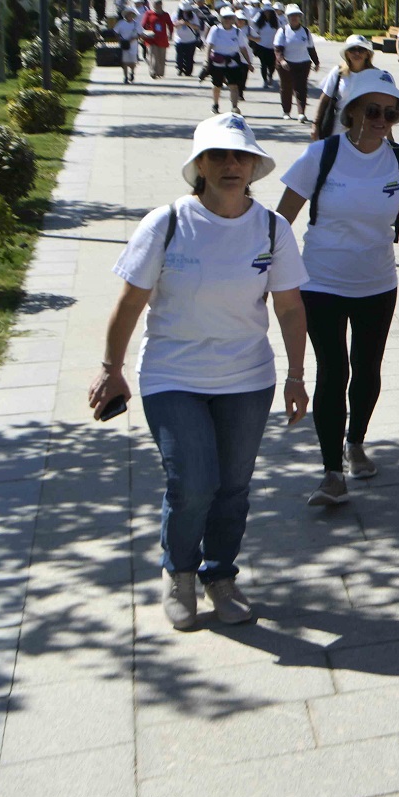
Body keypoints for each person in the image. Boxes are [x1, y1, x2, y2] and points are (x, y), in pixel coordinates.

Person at [88, 114, 310, 629]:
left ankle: (221, 576)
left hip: (247, 377)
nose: (231, 165)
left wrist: (298, 375)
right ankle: (179, 572)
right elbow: (129, 303)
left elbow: (291, 308)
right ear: (200, 167)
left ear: (254, 165)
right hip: (173, 375)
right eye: (218, 156)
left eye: (240, 156)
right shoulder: (166, 224)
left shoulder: (273, 228)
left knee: (232, 485)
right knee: (192, 481)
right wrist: (110, 368)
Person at [276, 71, 399, 506]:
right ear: (350, 112)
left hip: (378, 284)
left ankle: (356, 442)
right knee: (333, 370)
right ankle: (331, 473)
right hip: (321, 282)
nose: (382, 119)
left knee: (367, 369)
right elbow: (280, 221)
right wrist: (265, 273)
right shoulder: (321, 156)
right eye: (372, 110)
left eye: (390, 112)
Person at [314, 35, 378, 139]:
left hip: (366, 126)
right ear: (347, 53)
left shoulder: (376, 75)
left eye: (361, 49)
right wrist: (315, 124)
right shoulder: (338, 72)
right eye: (352, 49)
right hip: (339, 127)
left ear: (367, 54)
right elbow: (325, 99)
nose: (357, 53)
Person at [204, 6, 251, 114]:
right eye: (225, 17)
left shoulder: (237, 32)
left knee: (234, 85)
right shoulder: (215, 29)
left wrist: (248, 62)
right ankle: (215, 104)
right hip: (218, 61)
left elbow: (243, 48)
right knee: (217, 85)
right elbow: (209, 45)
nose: (228, 20)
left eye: (230, 17)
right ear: (221, 18)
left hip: (232, 62)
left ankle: (234, 107)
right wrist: (206, 60)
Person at [274, 4, 316, 122]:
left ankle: (301, 112)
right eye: (292, 15)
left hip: (303, 63)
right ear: (288, 17)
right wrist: (282, 61)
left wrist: (316, 62)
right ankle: (286, 111)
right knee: (286, 87)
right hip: (286, 65)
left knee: (301, 88)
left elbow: (311, 48)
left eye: (297, 15)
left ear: (300, 17)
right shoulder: (282, 31)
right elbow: (278, 49)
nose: (294, 18)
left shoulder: (306, 32)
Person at [249, 3, 283, 86]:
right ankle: (265, 80)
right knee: (263, 64)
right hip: (261, 46)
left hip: (272, 46)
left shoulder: (276, 21)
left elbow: (280, 31)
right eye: (265, 11)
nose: (267, 13)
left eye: (269, 11)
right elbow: (253, 30)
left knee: (272, 64)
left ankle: (270, 75)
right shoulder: (259, 22)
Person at [142, 0, 173, 79]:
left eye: (158, 4)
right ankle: (153, 71)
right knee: (153, 55)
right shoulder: (149, 13)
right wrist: (145, 32)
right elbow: (144, 25)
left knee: (161, 56)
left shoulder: (165, 14)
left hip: (162, 38)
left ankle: (160, 72)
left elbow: (170, 24)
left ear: (161, 5)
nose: (157, 5)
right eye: (155, 4)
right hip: (151, 38)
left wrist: (170, 34)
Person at [173, 0, 203, 79]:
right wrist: (180, 23)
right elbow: (173, 24)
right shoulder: (176, 14)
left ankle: (188, 71)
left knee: (189, 57)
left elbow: (197, 27)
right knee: (179, 56)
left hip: (191, 40)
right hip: (179, 39)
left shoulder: (193, 15)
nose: (185, 11)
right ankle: (179, 68)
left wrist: (189, 24)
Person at [112, 8, 142, 83]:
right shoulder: (121, 23)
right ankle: (125, 77)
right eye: (128, 14)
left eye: (131, 14)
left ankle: (132, 72)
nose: (129, 16)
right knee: (124, 62)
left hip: (133, 45)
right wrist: (119, 39)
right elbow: (115, 32)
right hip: (124, 45)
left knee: (132, 62)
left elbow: (140, 34)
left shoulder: (136, 24)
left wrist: (133, 39)